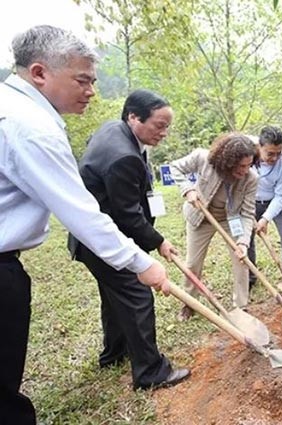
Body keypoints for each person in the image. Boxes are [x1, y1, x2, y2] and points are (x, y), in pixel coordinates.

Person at [0, 26, 170, 424]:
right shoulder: (31, 127)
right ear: (40, 72)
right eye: (82, 80)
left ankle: (116, 352)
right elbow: (81, 210)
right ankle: (146, 368)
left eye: (93, 81)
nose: (91, 91)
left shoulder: (15, 109)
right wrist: (143, 260)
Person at [67, 89, 190, 390]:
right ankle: (150, 372)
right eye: (159, 125)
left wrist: (157, 240)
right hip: (105, 241)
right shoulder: (123, 157)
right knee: (137, 296)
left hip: (90, 240)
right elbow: (128, 215)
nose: (164, 132)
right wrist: (158, 241)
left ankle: (114, 354)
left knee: (114, 297)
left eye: (167, 126)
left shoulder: (114, 130)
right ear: (134, 117)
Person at [171, 133, 259, 320]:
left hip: (231, 219)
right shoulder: (202, 158)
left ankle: (241, 307)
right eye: (241, 165)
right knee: (193, 263)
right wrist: (188, 189)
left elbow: (248, 213)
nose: (245, 170)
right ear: (227, 161)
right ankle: (189, 303)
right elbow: (175, 167)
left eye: (249, 165)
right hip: (200, 216)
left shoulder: (251, 179)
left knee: (241, 261)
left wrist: (243, 242)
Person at [247, 126, 282, 288]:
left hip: (278, 201)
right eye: (270, 153)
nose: (274, 158)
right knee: (246, 238)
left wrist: (265, 219)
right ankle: (250, 276)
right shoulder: (247, 151)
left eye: (279, 153)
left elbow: (281, 197)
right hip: (252, 202)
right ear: (260, 147)